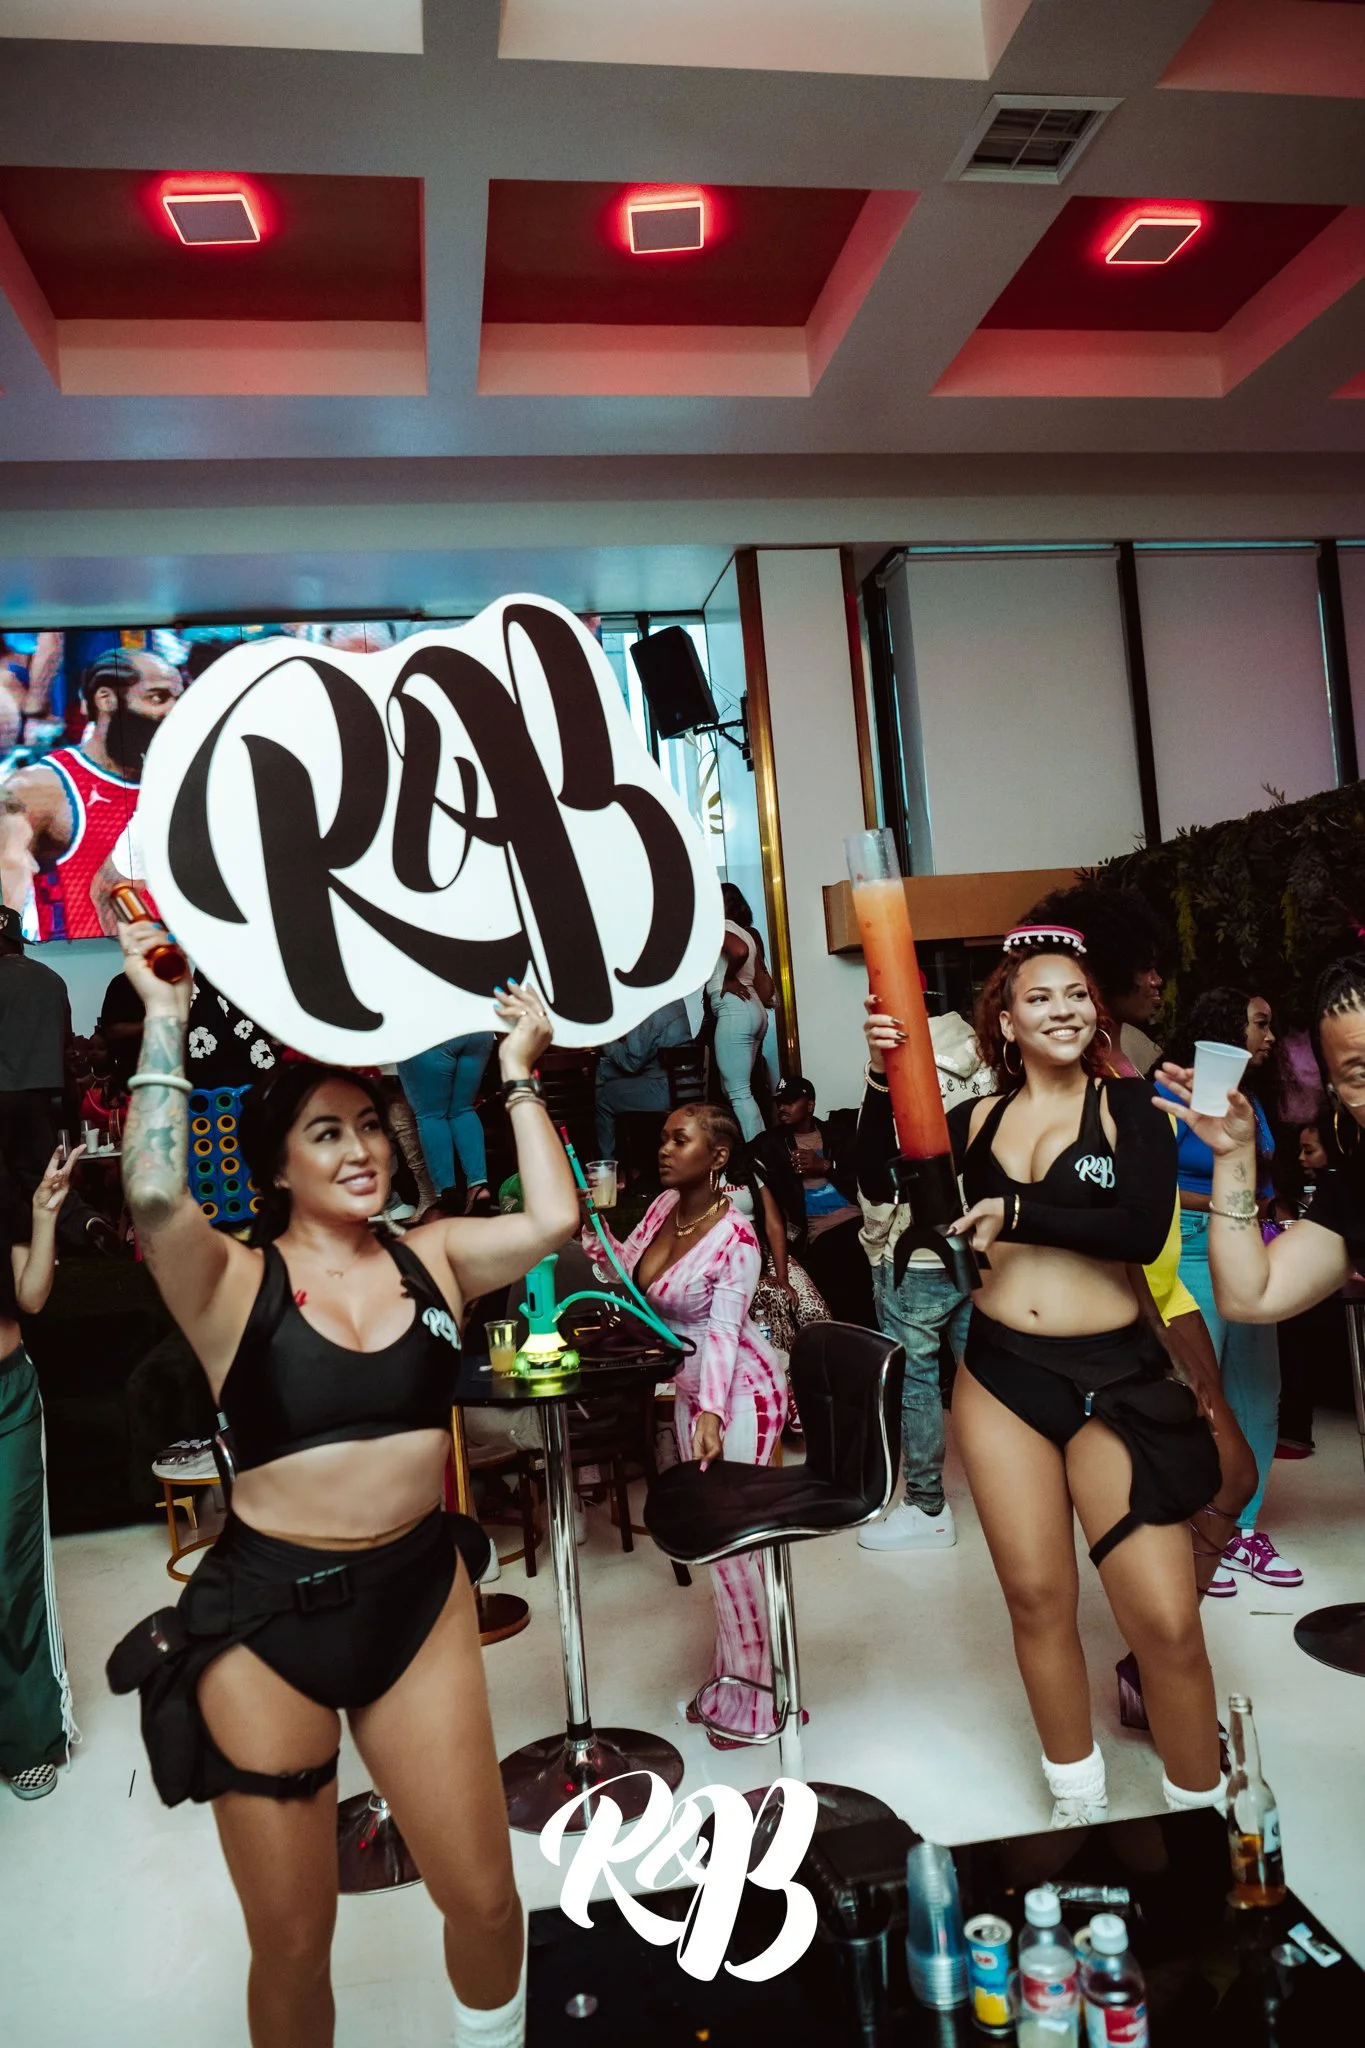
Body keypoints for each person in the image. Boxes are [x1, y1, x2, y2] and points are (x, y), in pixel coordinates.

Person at [105, 911, 578, 2048]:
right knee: (294, 1941)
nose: (362, 1149)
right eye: (327, 1133)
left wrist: (519, 1075)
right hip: (266, 1619)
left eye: (370, 1125)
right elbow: (156, 1198)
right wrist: (164, 1017)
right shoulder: (229, 1281)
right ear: (277, 1165)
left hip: (415, 1594)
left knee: (485, 1898)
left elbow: (556, 1218)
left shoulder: (435, 1253)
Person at [938, 931, 1223, 1827]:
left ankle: (1199, 1817)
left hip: (1115, 1377)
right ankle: (1078, 1803)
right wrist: (879, 1080)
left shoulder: (1128, 1108)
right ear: (1005, 1022)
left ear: (1094, 1010)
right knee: (1035, 1600)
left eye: (1075, 994)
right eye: (1038, 997)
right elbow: (894, 1179)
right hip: (1001, 1376)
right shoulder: (972, 1121)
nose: (1061, 1010)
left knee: (1166, 1622)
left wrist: (1018, 1210)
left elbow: (1141, 1228)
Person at [584, 1103, 787, 1745]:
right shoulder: (661, 1209)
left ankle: (757, 1702)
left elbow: (724, 1331)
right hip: (692, 1389)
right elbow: (627, 1277)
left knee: (734, 1547)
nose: (665, 1149)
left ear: (718, 1156)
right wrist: (594, 1229)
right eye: (663, 1138)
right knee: (718, 1544)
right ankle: (735, 1679)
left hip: (741, 1392)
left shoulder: (738, 1239)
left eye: (680, 1139)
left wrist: (712, 1413)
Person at [1157, 953, 1365, 1530]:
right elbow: (1253, 1294)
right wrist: (1232, 1158)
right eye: (1357, 1074)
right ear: (1335, 1091)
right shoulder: (1355, 1189)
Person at [1157, 988, 1300, 1595]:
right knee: (1201, 1395)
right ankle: (1199, 1525)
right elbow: (1150, 1186)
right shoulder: (1176, 1094)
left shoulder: (1250, 1100)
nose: (1270, 1037)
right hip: (1190, 1246)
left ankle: (1241, 1530)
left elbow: (1255, 1177)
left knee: (1259, 1390)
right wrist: (1223, 1197)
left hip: (1247, 1244)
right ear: (1225, 1029)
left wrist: (1267, 1209)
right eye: (1260, 1024)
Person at [855, 1001, 994, 1551]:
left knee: (917, 1382)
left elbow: (874, 1172)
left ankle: (927, 1505)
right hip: (978, 1246)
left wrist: (875, 1240)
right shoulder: (990, 1063)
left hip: (915, 1253)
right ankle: (1013, 1489)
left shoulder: (901, 1064)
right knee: (987, 1376)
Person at [0, 1143, 83, 1799]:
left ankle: (27, 1738)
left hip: (6, 1400)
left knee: (13, 1566)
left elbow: (30, 1297)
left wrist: (44, 1214)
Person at [0, 648, 183, 940]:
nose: (173, 712)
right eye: (157, 698)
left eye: (178, 700)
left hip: (170, 960)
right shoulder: (41, 787)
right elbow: (6, 910)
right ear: (106, 699)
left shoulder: (183, 783)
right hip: (83, 962)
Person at [1022, 882, 1169, 1077]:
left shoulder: (1129, 1052)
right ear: (1109, 970)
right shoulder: (1078, 1071)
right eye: (1145, 968)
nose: (1157, 980)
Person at [766, 1074, 873, 1326]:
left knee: (865, 1268)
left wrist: (825, 1165)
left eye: (790, 1102)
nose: (782, 1108)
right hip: (818, 1232)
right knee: (840, 1274)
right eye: (779, 1103)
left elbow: (864, 1177)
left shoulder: (838, 1135)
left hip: (856, 1221)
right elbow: (740, 1157)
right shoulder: (772, 1143)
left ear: (810, 1105)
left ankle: (868, 1337)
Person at [397, 1033, 497, 1215]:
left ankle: (446, 1194)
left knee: (431, 1114)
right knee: (463, 1109)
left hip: (431, 1033)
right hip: (478, 1031)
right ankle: (478, 1187)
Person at [706, 883, 773, 1142]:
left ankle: (760, 1155)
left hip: (735, 1010)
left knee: (738, 1093)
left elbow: (738, 952)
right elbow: (764, 987)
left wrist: (728, 978)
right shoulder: (746, 932)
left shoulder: (718, 927)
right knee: (736, 1090)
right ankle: (755, 1148)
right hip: (754, 1010)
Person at [593, 997, 692, 1156]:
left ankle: (607, 1162)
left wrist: (604, 1039)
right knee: (605, 1072)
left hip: (664, 1090)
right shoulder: (675, 999)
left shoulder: (649, 1007)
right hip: (688, 1085)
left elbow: (631, 1063)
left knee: (605, 1097)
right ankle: (629, 1154)